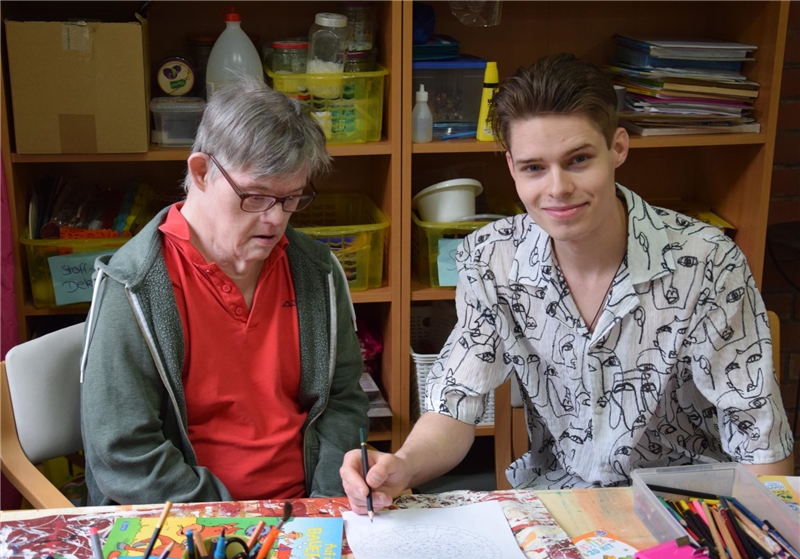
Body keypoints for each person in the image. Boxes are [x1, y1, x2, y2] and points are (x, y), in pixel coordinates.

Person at [341, 54, 794, 513]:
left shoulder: (707, 260)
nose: (557, 188)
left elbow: (759, 441)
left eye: (578, 160)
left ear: (618, 147)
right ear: (511, 167)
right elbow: (455, 404)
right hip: (558, 506)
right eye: (534, 168)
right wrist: (403, 464)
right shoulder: (490, 257)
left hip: (689, 511)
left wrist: (762, 554)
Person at [81, 76, 369, 506]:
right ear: (201, 172)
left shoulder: (316, 270)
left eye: (292, 199)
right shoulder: (134, 285)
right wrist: (233, 516)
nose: (275, 220)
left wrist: (326, 501)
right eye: (255, 197)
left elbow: (343, 401)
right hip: (188, 517)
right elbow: (124, 454)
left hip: (311, 508)